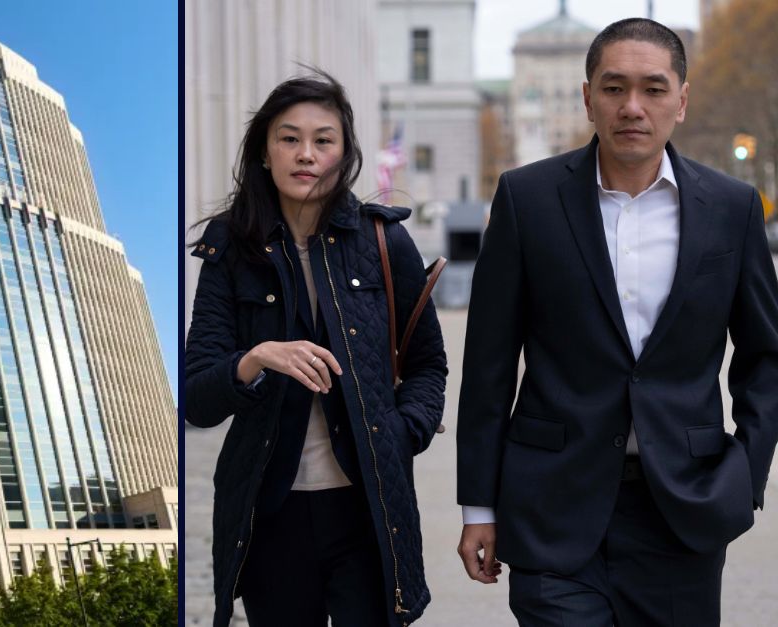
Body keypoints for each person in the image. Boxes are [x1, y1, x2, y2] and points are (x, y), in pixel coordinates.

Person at [456, 18, 778, 625]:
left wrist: (746, 469)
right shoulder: (526, 199)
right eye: (614, 88)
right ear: (587, 98)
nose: (633, 106)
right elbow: (489, 364)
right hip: (552, 507)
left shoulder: (732, 208)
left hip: (682, 513)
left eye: (653, 89)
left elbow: (768, 353)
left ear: (682, 101)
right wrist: (479, 506)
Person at [185, 70, 448, 627]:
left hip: (368, 509)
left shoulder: (384, 240)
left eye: (323, 140)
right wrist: (255, 359)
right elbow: (198, 399)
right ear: (264, 151)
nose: (306, 154)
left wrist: (404, 434)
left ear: (345, 154)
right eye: (289, 138)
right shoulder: (230, 248)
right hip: (270, 514)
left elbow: (428, 363)